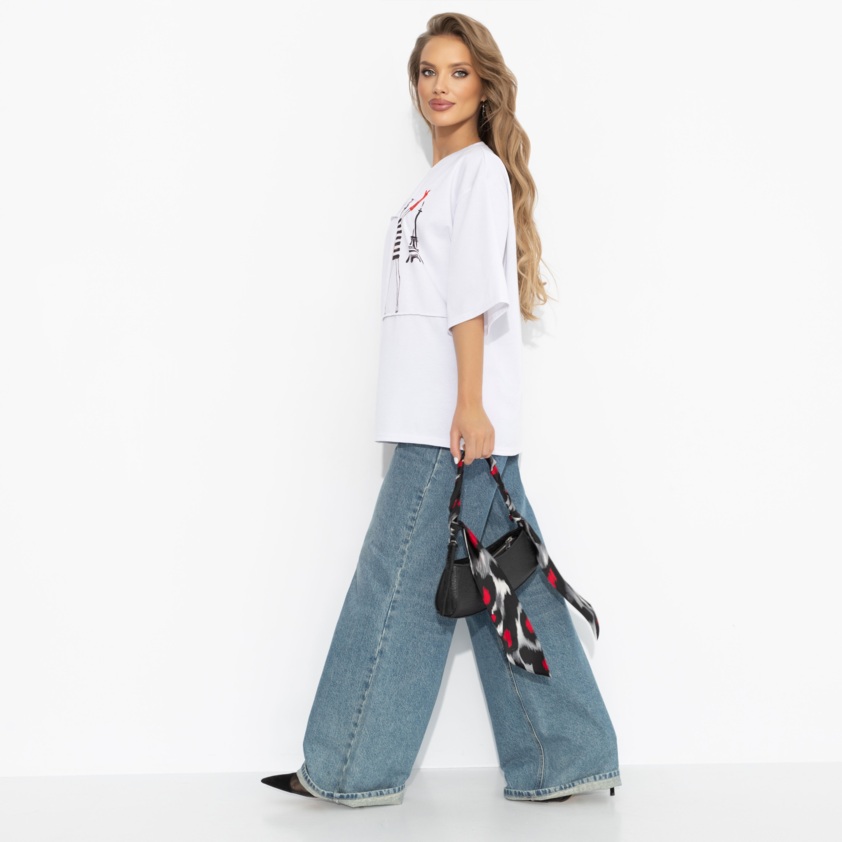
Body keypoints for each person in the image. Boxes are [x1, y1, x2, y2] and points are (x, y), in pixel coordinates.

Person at [261, 11, 620, 807]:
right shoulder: (434, 182)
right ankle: (567, 757)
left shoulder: (477, 174)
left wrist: (468, 405)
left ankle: (349, 768)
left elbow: (470, 299)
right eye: (428, 72)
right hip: (440, 419)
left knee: (392, 584)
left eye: (458, 72)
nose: (440, 87)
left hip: (448, 424)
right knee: (506, 587)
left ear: (483, 86)